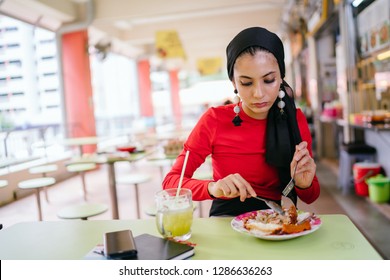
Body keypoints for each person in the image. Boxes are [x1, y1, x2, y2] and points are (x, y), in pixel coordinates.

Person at [162, 27, 320, 216]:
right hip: (225, 218)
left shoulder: (293, 120)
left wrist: (304, 183)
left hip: (273, 219)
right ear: (234, 83)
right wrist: (213, 188)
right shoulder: (214, 120)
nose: (259, 93)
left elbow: (311, 196)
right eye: (246, 83)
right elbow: (171, 183)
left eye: (269, 80)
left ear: (281, 78)